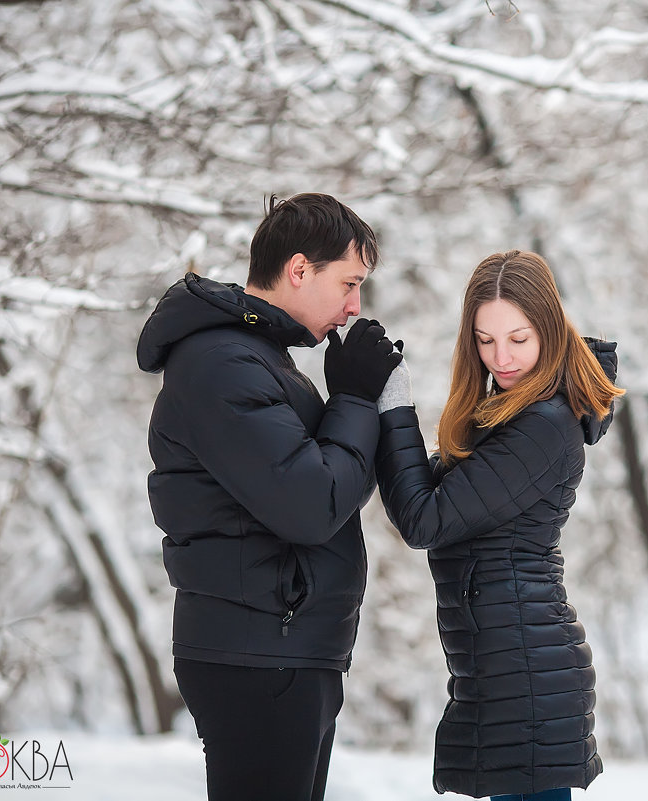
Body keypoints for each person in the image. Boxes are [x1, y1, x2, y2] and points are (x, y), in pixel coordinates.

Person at [136, 192, 401, 801]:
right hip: (257, 653)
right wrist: (356, 400)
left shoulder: (259, 359)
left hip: (282, 647)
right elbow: (312, 505)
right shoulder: (223, 364)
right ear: (300, 269)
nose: (354, 306)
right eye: (349, 283)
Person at [373, 249, 624, 800]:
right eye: (485, 340)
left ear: (552, 331)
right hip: (507, 669)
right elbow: (429, 503)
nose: (501, 357)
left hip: (528, 677)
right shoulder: (507, 413)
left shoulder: (545, 424)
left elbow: (425, 518)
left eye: (518, 338)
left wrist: (392, 407)